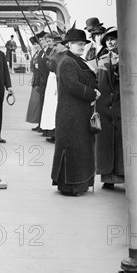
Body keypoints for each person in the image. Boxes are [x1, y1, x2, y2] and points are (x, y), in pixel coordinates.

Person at [51, 25, 100, 196]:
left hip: (78, 112)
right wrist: (92, 93)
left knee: (80, 148)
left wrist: (95, 89)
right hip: (70, 114)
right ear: (69, 45)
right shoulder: (67, 62)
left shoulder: (75, 60)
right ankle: (71, 186)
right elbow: (72, 86)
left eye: (83, 44)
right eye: (78, 44)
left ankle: (80, 183)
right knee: (73, 149)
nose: (81, 46)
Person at [95, 26, 124, 189]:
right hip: (105, 107)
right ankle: (107, 178)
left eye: (114, 39)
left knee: (121, 142)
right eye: (108, 40)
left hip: (121, 107)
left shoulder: (128, 58)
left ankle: (124, 176)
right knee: (106, 143)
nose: (111, 42)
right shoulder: (103, 59)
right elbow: (99, 82)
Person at [25, 36, 43, 129]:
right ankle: (38, 123)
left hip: (39, 81)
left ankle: (40, 123)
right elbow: (32, 67)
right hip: (35, 80)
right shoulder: (36, 53)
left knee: (38, 103)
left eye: (37, 44)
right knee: (36, 103)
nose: (35, 46)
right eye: (34, 44)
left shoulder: (41, 54)